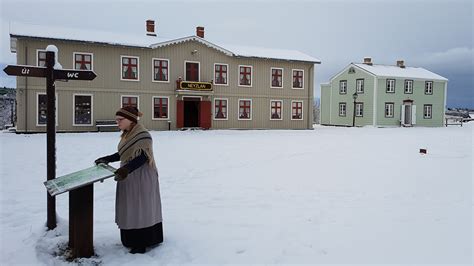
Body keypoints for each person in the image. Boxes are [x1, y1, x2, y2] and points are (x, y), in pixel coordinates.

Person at [94, 106, 163, 254]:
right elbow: (123, 153)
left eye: (120, 120)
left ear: (131, 120)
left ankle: (142, 242)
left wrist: (126, 170)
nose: (117, 123)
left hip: (141, 176)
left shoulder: (143, 135)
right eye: (116, 120)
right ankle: (130, 239)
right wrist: (107, 159)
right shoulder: (127, 135)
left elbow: (142, 157)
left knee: (141, 207)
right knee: (130, 207)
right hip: (127, 175)